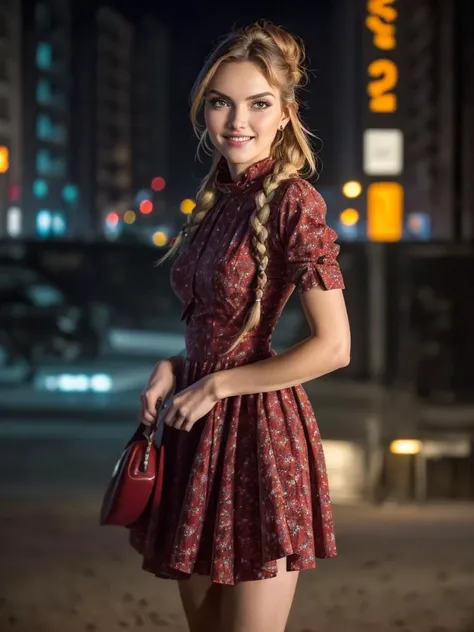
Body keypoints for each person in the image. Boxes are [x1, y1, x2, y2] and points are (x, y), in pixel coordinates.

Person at [132, 20, 351, 632]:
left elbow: (334, 347)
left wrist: (217, 386)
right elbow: (216, 327)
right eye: (222, 103)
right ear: (205, 110)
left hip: (259, 438)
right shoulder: (214, 199)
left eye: (258, 104)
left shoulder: (294, 202)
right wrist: (175, 369)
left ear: (285, 113)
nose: (238, 122)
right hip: (194, 433)